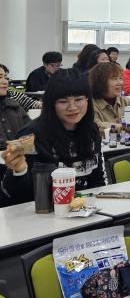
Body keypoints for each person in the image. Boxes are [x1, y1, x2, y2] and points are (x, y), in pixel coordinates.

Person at [1, 70, 107, 206]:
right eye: (63, 101)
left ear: (88, 100)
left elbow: (98, 180)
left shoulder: (91, 130)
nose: (72, 107)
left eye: (79, 99)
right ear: (51, 103)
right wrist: (20, 170)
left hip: (82, 211)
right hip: (39, 213)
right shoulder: (31, 135)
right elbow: (20, 196)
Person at [89, 63, 130, 139]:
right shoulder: (91, 104)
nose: (119, 83)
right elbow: (95, 125)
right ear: (100, 82)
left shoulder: (125, 101)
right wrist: (123, 128)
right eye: (114, 79)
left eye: (121, 78)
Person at [0, 65, 31, 204]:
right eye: (0, 78)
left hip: (20, 168)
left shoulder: (14, 106)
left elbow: (31, 135)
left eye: (6, 77)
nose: (5, 81)